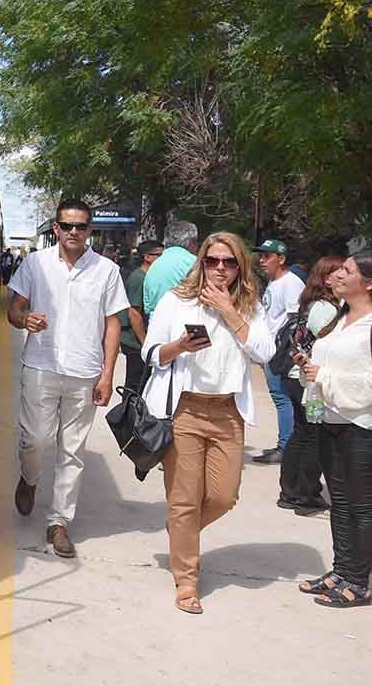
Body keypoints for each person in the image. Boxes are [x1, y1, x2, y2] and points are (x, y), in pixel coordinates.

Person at [142, 232, 273, 614]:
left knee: (223, 496)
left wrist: (229, 312)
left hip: (228, 412)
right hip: (184, 409)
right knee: (183, 500)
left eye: (228, 262)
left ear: (239, 267)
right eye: (212, 261)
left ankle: (179, 532)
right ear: (201, 262)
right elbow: (152, 353)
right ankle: (187, 580)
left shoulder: (249, 306)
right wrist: (178, 347)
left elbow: (264, 352)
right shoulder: (176, 301)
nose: (220, 268)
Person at [6, 199, 130, 558]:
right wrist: (24, 318)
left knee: (72, 451)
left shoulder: (106, 270)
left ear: (90, 230)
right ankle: (29, 478)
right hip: (41, 366)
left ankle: (58, 523)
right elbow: (14, 308)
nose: (74, 232)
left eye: (81, 226)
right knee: (36, 440)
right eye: (68, 226)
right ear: (56, 229)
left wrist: (107, 374)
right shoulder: (35, 263)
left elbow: (112, 324)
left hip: (85, 372)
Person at [294, 252, 372, 608]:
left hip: (361, 428)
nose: (338, 274)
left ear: (367, 283)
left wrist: (323, 375)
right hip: (330, 419)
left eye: (348, 270)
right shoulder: (341, 317)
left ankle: (360, 580)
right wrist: (310, 367)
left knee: (361, 506)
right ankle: (342, 570)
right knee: (340, 502)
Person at [277, 256, 343, 515]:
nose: (343, 277)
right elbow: (331, 345)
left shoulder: (313, 303)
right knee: (313, 437)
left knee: (302, 434)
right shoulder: (325, 308)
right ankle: (305, 493)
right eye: (340, 273)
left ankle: (291, 491)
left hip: (298, 378)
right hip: (308, 383)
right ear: (327, 278)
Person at [251, 239, 305, 464]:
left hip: (281, 353)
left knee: (283, 398)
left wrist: (287, 352)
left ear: (281, 259)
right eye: (261, 256)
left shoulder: (290, 283)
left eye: (268, 256)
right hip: (271, 350)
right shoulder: (274, 283)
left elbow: (296, 320)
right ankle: (285, 445)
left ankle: (286, 447)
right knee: (279, 397)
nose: (262, 260)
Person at [120, 239, 164, 397]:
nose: (162, 258)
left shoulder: (150, 276)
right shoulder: (138, 278)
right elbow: (134, 312)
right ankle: (128, 417)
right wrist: (144, 342)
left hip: (141, 341)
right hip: (135, 342)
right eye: (159, 255)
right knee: (135, 385)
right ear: (147, 257)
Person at [143, 222, 199, 318]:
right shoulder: (193, 262)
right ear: (192, 242)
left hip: (156, 324)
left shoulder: (154, 266)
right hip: (184, 324)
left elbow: (148, 306)